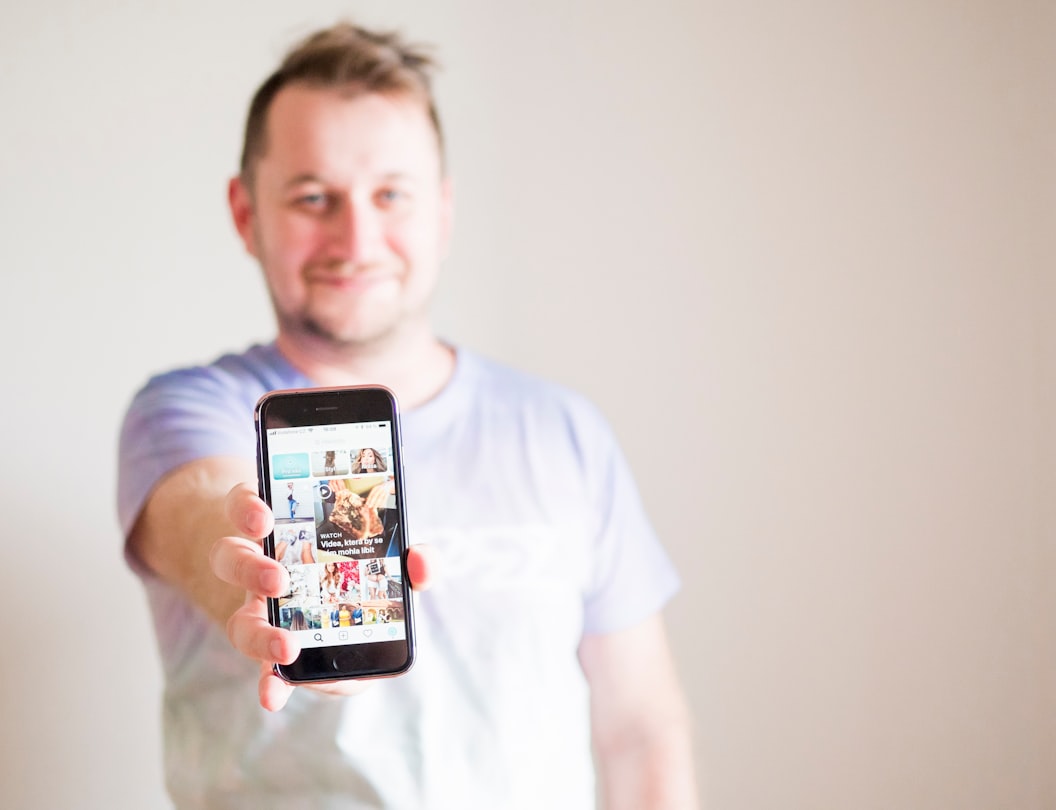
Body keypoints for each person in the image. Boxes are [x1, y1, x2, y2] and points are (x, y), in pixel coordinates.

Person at [117, 21, 697, 809]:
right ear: (246, 213)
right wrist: (254, 582)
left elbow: (639, 728)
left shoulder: (564, 431)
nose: (356, 238)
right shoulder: (187, 410)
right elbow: (202, 521)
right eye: (313, 197)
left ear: (443, 213)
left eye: (391, 194)